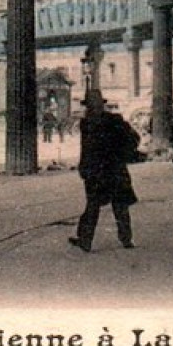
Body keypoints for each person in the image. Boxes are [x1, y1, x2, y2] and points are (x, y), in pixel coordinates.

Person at [70, 91, 140, 252]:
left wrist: (84, 167)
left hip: (96, 170)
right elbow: (134, 138)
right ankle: (126, 239)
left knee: (93, 206)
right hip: (115, 168)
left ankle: (85, 240)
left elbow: (86, 149)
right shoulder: (115, 120)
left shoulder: (87, 124)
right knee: (120, 205)